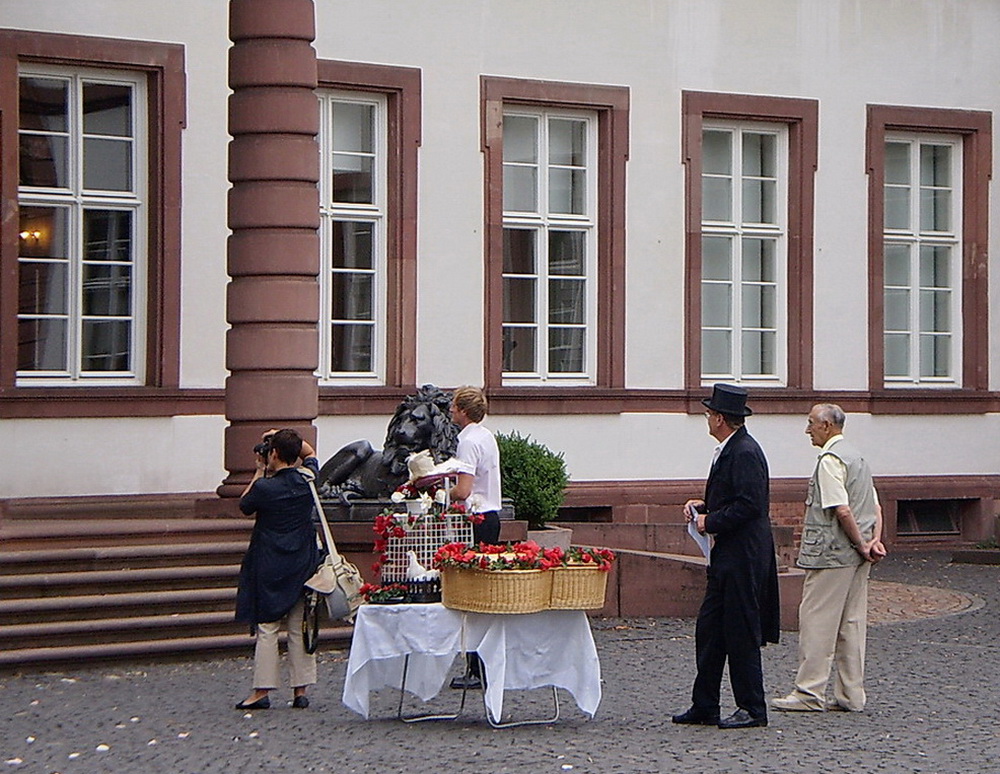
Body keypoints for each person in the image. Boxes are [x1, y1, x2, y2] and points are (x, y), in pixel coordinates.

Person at [673, 384, 780, 730]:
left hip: (743, 557)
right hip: (727, 558)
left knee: (740, 632)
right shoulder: (731, 449)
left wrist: (710, 521)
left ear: (720, 418)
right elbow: (733, 497)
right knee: (710, 630)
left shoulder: (745, 451)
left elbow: (750, 505)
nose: (706, 418)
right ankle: (705, 704)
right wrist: (703, 506)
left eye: (708, 414)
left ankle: (752, 707)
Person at [771, 404, 886, 713]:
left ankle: (809, 693)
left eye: (810, 423)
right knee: (852, 623)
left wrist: (862, 544)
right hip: (856, 556)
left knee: (817, 621)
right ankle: (851, 695)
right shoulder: (856, 457)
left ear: (826, 426)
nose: (807, 430)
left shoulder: (830, 460)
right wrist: (873, 541)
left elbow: (842, 509)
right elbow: (875, 507)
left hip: (832, 554)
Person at [234, 428, 320, 710]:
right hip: (302, 563)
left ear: (273, 454)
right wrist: (286, 439)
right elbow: (310, 454)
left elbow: (244, 505)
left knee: (268, 627)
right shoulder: (307, 480)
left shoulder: (265, 488)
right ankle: (300, 690)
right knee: (298, 626)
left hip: (270, 562)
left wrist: (259, 471)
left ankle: (262, 690)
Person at [447, 385, 502, 690]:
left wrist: (440, 489)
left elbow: (464, 490)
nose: (451, 411)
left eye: (454, 406)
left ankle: (475, 666)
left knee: (472, 596)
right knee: (484, 594)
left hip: (476, 518)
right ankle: (483, 663)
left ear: (464, 411)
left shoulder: (467, 441)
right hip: (491, 516)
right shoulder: (487, 435)